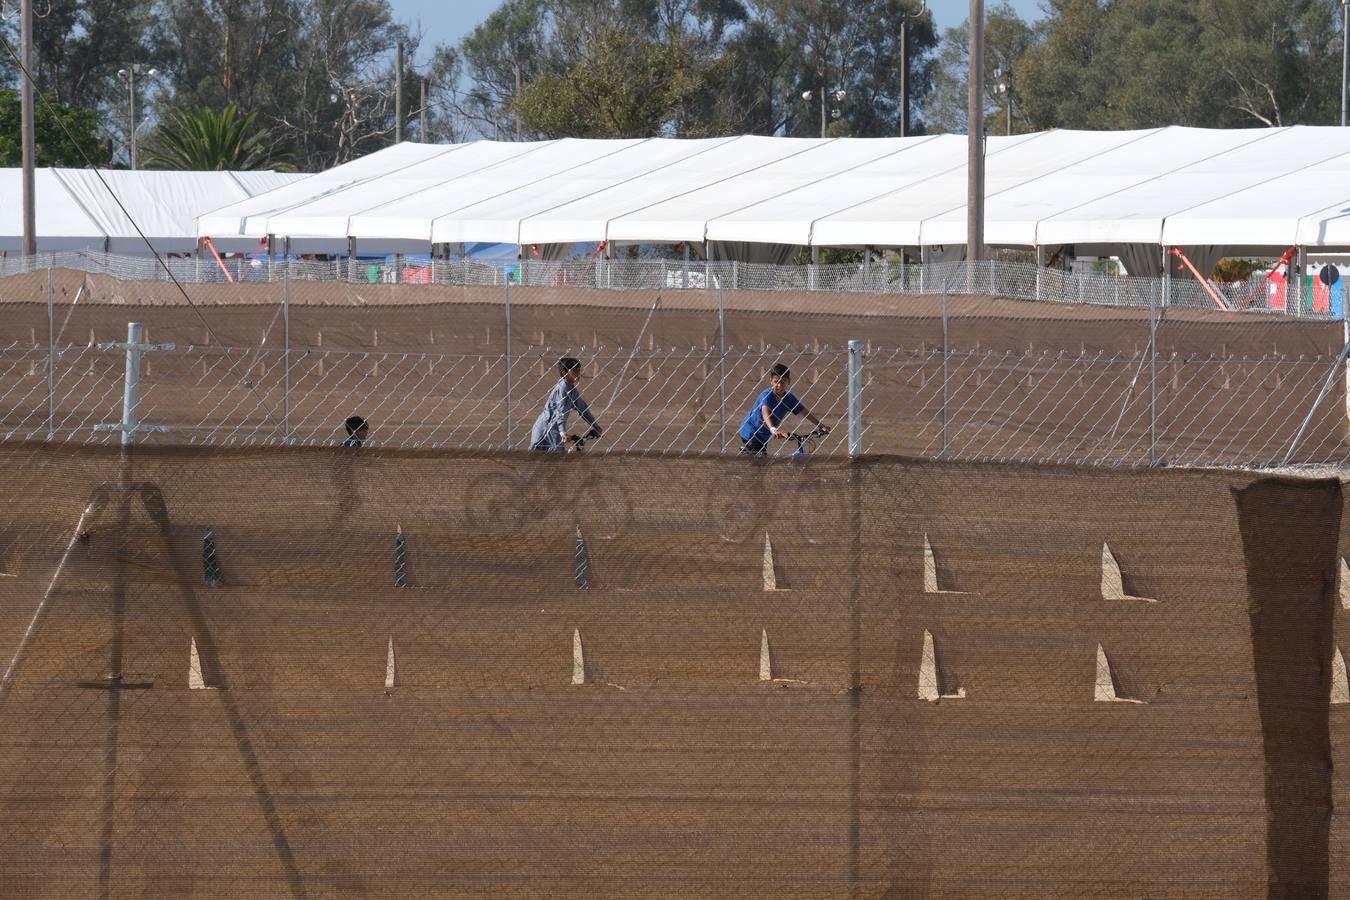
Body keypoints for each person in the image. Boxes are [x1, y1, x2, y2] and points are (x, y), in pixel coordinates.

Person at [738, 363, 830, 455]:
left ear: (788, 381)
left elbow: (803, 412)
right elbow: (765, 412)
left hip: (764, 436)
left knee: (762, 461)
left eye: (782, 382)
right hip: (751, 432)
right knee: (760, 463)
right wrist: (774, 430)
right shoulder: (766, 395)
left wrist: (821, 426)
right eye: (776, 382)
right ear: (771, 381)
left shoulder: (788, 398)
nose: (779, 385)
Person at [530, 357, 603, 451]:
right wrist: (562, 432)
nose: (578, 373)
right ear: (565, 373)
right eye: (575, 371)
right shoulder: (562, 388)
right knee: (541, 458)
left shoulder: (572, 390)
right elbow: (561, 411)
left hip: (555, 428)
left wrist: (595, 425)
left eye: (578, 370)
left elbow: (583, 409)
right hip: (546, 427)